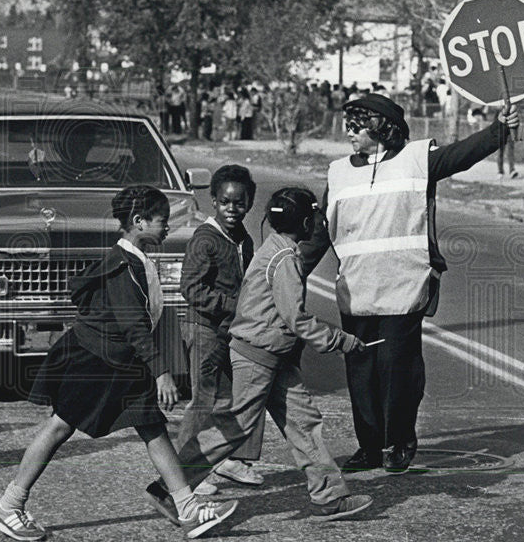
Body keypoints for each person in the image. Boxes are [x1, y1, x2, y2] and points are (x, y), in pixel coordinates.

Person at [0, 186, 238, 542]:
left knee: (152, 427)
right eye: (161, 221)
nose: (167, 227)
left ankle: (187, 507)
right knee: (61, 426)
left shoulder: (137, 259)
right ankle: (9, 506)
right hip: (95, 360)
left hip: (120, 361)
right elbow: (135, 325)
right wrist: (162, 372)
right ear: (138, 222)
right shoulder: (124, 266)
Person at [319, 92, 520, 474]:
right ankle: (369, 446)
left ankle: (399, 441)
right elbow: (319, 233)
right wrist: (289, 270)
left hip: (405, 287)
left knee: (397, 370)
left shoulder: (417, 159)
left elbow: (462, 154)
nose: (349, 132)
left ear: (380, 127)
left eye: (356, 124)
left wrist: (499, 131)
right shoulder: (338, 171)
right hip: (357, 291)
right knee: (361, 374)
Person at [144, 187, 373, 522]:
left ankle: (330, 497)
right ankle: (170, 488)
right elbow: (296, 318)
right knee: (234, 428)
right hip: (256, 357)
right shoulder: (285, 260)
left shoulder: (275, 248)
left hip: (273, 356)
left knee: (303, 423)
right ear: (307, 222)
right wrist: (341, 340)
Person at [176, 165, 264, 494]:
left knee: (229, 397)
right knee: (203, 399)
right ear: (213, 200)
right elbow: (191, 288)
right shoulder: (205, 239)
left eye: (239, 203)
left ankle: (224, 458)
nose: (232, 209)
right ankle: (185, 472)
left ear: (249, 203)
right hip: (204, 330)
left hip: (229, 332)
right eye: (225, 202)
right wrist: (233, 305)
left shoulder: (243, 238)